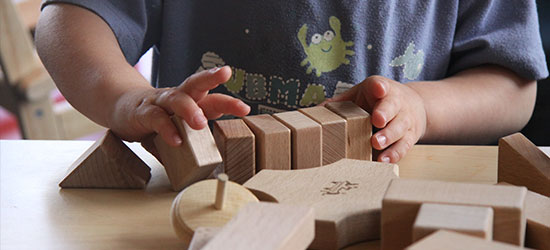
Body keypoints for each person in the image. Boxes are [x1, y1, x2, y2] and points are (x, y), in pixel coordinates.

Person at [36, 1, 548, 163]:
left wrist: (423, 106)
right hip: (205, 207)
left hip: (392, 210)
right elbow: (70, 19)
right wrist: (130, 98)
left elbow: (512, 84)